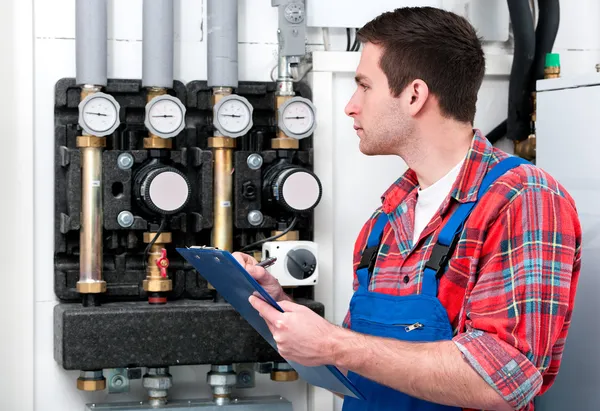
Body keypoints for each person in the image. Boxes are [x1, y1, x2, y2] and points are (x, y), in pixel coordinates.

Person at [234, 6, 581, 411]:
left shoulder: (522, 199)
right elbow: (361, 368)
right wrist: (285, 314)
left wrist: (334, 344)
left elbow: (503, 382)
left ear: (414, 95)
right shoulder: (388, 218)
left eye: (364, 85)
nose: (350, 105)